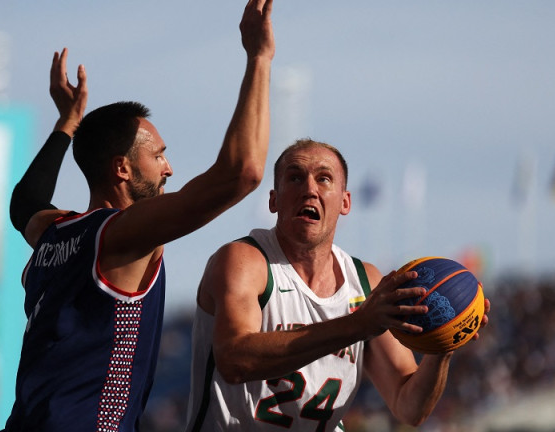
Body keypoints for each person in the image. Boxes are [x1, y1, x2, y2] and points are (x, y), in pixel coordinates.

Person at [2, 0, 275, 431]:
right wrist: (259, 58)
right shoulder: (121, 236)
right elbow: (241, 172)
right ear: (122, 170)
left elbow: (24, 204)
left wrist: (67, 124)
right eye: (159, 155)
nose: (170, 168)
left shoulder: (56, 234)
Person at [185, 139, 491, 431]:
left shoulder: (365, 282)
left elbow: (409, 406)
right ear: (274, 200)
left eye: (324, 179)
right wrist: (357, 325)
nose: (309, 189)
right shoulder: (245, 261)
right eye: (294, 178)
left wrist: (443, 344)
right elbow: (235, 359)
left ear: (345, 202)